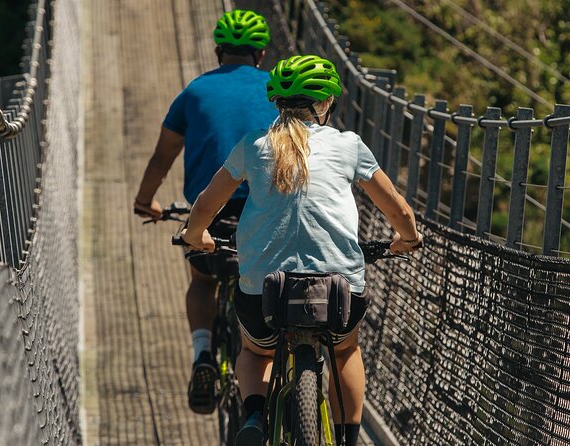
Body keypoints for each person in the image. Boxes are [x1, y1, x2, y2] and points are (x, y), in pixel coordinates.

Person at [181, 54, 423, 445]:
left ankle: (255, 418)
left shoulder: (253, 145)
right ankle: (347, 438)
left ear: (275, 102)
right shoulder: (350, 146)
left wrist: (197, 235)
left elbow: (207, 205)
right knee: (344, 351)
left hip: (264, 291)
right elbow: (397, 207)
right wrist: (408, 238)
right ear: (327, 102)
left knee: (257, 352)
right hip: (338, 290)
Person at [133, 10, 278, 415]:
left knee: (202, 281)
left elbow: (164, 155)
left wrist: (145, 200)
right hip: (267, 213)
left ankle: (202, 355)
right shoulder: (278, 90)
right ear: (262, 53)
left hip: (209, 214)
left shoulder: (193, 92)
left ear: (217, 51)